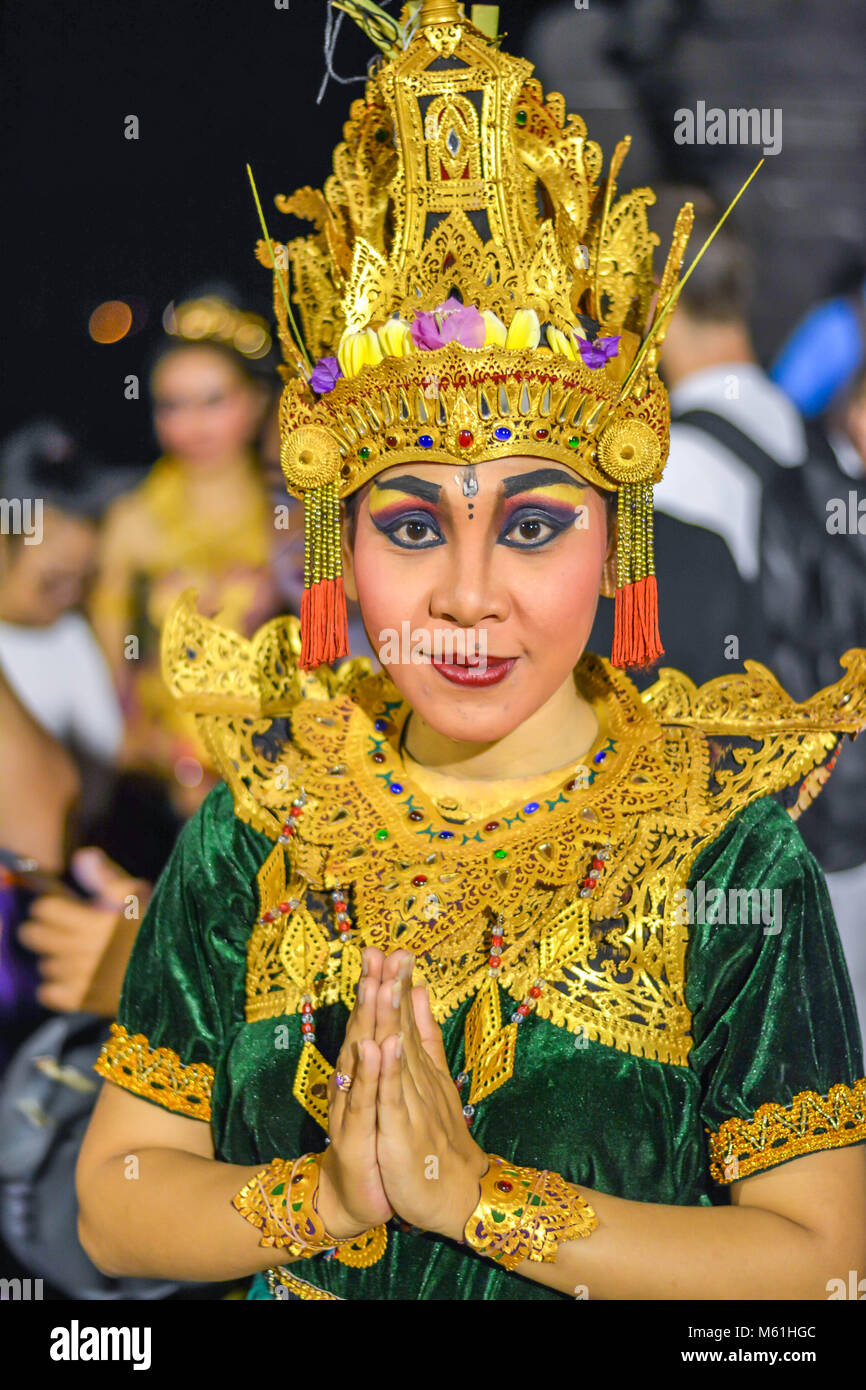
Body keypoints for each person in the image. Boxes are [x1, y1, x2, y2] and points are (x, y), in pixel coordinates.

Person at [77, 1, 865, 1301]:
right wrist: (321, 1197)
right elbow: (116, 1202)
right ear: (341, 540)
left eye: (533, 522)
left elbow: (823, 1257)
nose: (463, 594)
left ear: (615, 532)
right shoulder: (263, 823)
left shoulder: (720, 846)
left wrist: (478, 1199)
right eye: (406, 523)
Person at [89, 290, 281, 814]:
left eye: (214, 400)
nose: (193, 424)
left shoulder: (289, 516)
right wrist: (131, 737)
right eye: (173, 405)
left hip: (278, 755)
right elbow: (113, 652)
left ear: (257, 401)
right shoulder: (134, 520)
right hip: (163, 766)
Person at [0, 421, 124, 764]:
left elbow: (111, 754)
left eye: (82, 580)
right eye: (50, 532)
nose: (70, 596)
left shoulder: (74, 636)